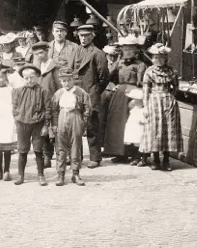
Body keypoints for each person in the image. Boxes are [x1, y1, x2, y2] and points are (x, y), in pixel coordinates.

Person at [102, 35, 148, 162]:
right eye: (125, 49)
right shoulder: (119, 63)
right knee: (117, 123)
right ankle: (119, 153)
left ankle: (135, 155)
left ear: (136, 51)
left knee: (133, 125)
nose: (127, 52)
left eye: (130, 49)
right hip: (119, 94)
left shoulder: (140, 65)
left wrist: (139, 96)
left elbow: (143, 82)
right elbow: (107, 75)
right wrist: (113, 86)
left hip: (134, 94)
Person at [74, 20, 110, 169]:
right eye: (81, 36)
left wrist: (95, 90)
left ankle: (95, 157)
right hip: (77, 93)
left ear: (92, 36)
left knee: (92, 126)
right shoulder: (77, 51)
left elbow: (104, 77)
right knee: (76, 126)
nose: (83, 38)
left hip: (91, 93)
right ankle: (77, 157)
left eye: (87, 36)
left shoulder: (98, 53)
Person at [142, 44, 182, 171]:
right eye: (155, 58)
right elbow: (145, 90)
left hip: (168, 102)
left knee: (169, 130)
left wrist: (169, 97)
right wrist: (145, 106)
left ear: (165, 58)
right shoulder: (149, 71)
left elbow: (176, 88)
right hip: (154, 102)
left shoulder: (171, 71)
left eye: (160, 58)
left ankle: (166, 160)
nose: (158, 60)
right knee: (155, 130)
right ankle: (155, 160)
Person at [49, 67, 90, 186]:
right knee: (60, 147)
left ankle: (75, 174)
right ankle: (60, 174)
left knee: (75, 146)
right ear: (60, 81)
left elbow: (87, 108)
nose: (66, 83)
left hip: (75, 116)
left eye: (69, 80)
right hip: (62, 116)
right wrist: (55, 124)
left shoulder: (80, 92)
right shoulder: (58, 93)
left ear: (73, 80)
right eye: (63, 81)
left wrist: (83, 123)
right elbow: (54, 109)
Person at [12, 64, 50, 186]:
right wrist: (17, 120)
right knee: (22, 151)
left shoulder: (43, 91)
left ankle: (41, 175)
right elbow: (14, 107)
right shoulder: (18, 91)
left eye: (32, 77)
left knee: (38, 150)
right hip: (22, 124)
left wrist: (46, 125)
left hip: (38, 124)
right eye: (26, 78)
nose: (29, 80)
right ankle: (20, 175)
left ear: (38, 77)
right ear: (23, 79)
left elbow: (48, 109)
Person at [124, 88, 148, 165]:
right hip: (133, 128)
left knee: (141, 143)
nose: (136, 102)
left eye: (139, 100)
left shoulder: (144, 110)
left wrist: (144, 121)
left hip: (140, 128)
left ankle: (143, 158)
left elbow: (146, 118)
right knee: (133, 142)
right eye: (135, 100)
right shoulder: (134, 108)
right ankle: (135, 157)